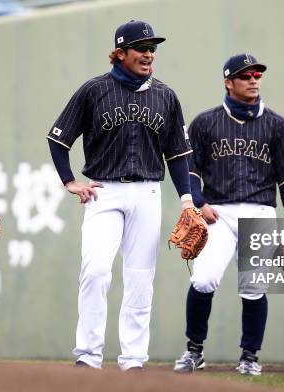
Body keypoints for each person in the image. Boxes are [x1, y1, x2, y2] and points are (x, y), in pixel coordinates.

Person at [46, 20, 194, 371]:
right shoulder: (94, 90)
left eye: (152, 48)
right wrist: (69, 182)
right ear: (120, 52)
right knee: (96, 271)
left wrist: (187, 200)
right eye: (141, 48)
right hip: (104, 192)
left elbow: (177, 154)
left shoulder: (165, 95)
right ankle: (88, 355)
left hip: (147, 193)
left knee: (141, 279)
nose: (148, 54)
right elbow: (57, 139)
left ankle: (133, 360)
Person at [173, 54, 284, 376]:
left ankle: (249, 356)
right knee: (203, 279)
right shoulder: (205, 122)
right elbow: (190, 169)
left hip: (260, 210)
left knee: (253, 287)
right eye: (245, 76)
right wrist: (198, 202)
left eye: (256, 74)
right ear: (228, 82)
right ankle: (194, 351)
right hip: (217, 212)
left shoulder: (277, 124)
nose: (253, 79)